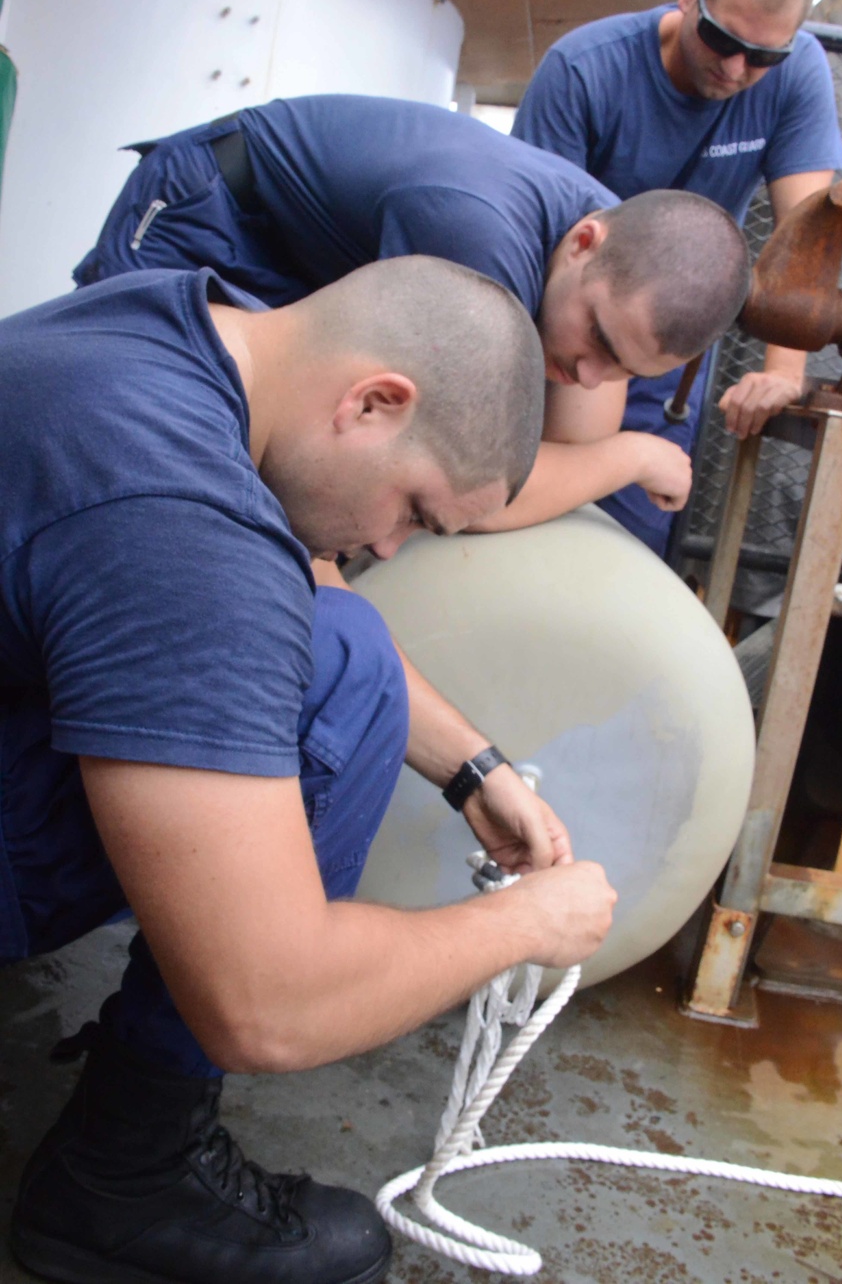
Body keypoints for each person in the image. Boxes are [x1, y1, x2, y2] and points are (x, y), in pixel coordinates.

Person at [0, 256, 617, 1284]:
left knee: (347, 643)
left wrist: (471, 769)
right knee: (343, 672)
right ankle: (124, 1180)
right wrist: (528, 924)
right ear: (374, 402)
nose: (385, 542)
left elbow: (296, 592)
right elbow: (268, 1007)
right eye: (415, 510)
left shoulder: (163, 330)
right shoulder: (180, 525)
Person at [74, 93, 751, 534]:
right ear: (583, 242)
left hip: (292, 266)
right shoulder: (478, 238)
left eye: (621, 369)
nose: (585, 371)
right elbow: (483, 490)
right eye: (598, 337)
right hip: (211, 215)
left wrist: (594, 446)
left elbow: (563, 454)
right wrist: (633, 455)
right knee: (150, 456)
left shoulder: (620, 265)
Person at [513, 0, 842, 557]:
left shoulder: (797, 73)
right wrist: (585, 378)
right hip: (567, 333)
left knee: (629, 539)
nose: (736, 69)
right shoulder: (584, 71)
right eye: (722, 40)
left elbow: (808, 237)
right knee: (541, 514)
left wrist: (784, 369)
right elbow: (540, 244)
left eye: (763, 55)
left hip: (668, 355)